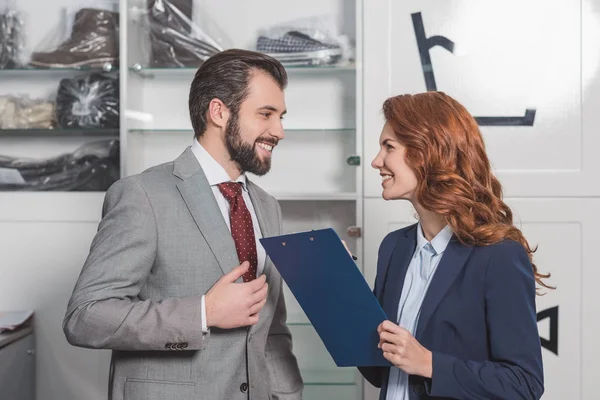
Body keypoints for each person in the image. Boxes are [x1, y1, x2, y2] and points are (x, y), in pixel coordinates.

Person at [63, 49, 303, 400]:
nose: (279, 131)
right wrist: (203, 312)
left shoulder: (267, 207)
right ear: (219, 112)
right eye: (266, 114)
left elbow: (272, 328)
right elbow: (85, 317)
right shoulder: (142, 195)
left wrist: (286, 394)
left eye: (281, 116)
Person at [360, 91, 551, 400]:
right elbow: (378, 371)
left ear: (426, 153)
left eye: (389, 147)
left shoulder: (498, 254)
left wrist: (430, 364)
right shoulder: (394, 247)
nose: (376, 161)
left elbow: (524, 383)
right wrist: (340, 288)